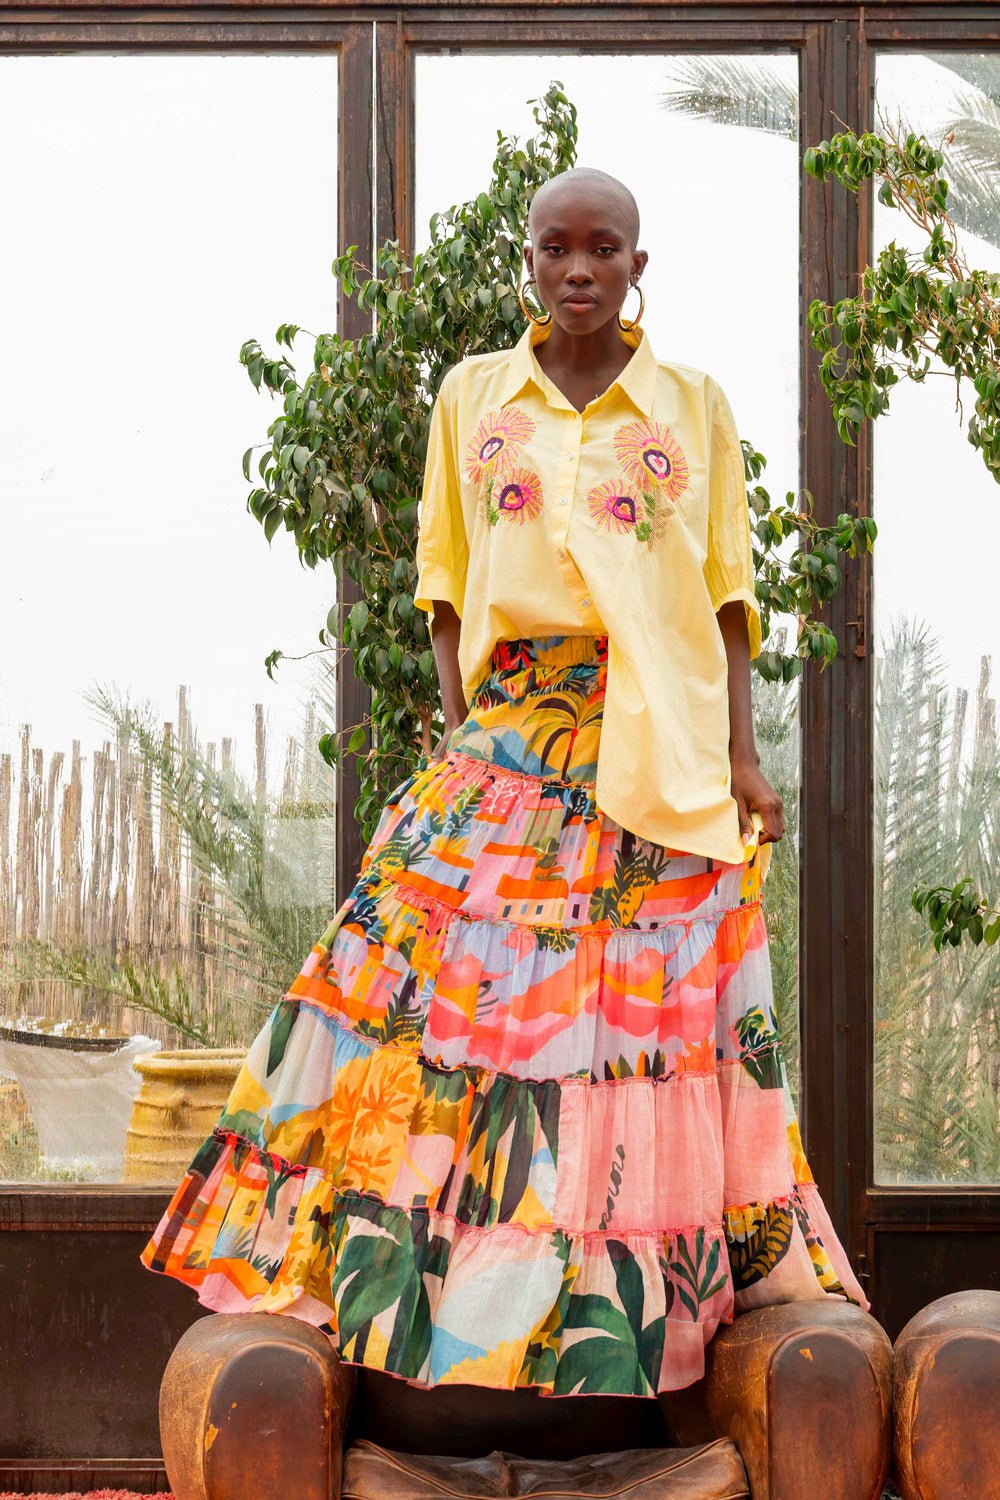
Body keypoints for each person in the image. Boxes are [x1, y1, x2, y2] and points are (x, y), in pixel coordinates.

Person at [141, 165, 869, 1399]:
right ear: (526, 261)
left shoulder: (691, 403)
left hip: (658, 738)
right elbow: (443, 579)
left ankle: (618, 1313)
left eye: (603, 248)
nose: (577, 267)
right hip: (512, 729)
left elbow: (729, 599)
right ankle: (402, 1288)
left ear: (642, 265)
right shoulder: (473, 396)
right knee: (395, 979)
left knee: (635, 1027)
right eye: (554, 247)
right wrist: (463, 731)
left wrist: (742, 757)